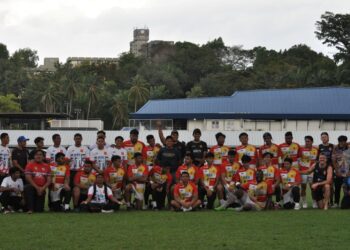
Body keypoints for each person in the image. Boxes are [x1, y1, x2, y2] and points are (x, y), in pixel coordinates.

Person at [299, 135, 319, 208]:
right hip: (303, 171)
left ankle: (314, 202)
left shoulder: (316, 150)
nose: (307, 143)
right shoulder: (301, 149)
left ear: (312, 142)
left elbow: (317, 160)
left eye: (308, 141)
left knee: (312, 187)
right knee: (303, 187)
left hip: (312, 171)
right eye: (306, 141)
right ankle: (304, 202)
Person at [143, 134, 161, 208]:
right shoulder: (145, 149)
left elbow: (161, 160)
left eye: (153, 140)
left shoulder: (158, 148)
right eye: (150, 141)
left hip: (156, 170)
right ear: (147, 141)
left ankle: (154, 203)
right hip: (148, 170)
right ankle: (146, 203)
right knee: (147, 187)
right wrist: (146, 171)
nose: (152, 142)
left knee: (154, 186)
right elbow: (144, 161)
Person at [332, 135, 349, 208]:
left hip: (348, 172)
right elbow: (334, 161)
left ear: (345, 142)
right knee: (337, 187)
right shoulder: (335, 149)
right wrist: (336, 171)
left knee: (347, 187)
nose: (341, 143)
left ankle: (346, 201)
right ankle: (336, 203)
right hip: (339, 171)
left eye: (343, 141)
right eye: (340, 141)